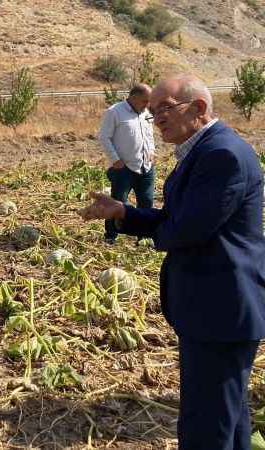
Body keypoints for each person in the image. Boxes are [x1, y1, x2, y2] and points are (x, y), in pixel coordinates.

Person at [79, 74, 265, 450]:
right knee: (227, 421)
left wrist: (160, 232)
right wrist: (124, 213)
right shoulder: (204, 151)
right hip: (216, 308)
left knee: (206, 427)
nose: (156, 117)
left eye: (164, 107)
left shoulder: (222, 155)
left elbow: (187, 229)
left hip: (220, 308)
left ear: (198, 108)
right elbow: (179, 218)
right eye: (151, 111)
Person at [98, 83, 156, 244]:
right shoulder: (115, 112)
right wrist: (115, 159)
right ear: (134, 97)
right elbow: (104, 136)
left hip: (146, 166)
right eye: (145, 101)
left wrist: (151, 151)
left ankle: (144, 237)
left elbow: (149, 135)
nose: (147, 105)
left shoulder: (146, 113)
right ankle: (111, 236)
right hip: (123, 168)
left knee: (146, 202)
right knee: (117, 202)